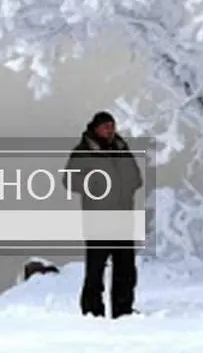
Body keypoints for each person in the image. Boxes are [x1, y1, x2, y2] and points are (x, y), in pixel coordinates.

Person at [64, 110, 144, 318]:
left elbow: (136, 176)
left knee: (126, 268)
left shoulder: (121, 148)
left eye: (112, 126)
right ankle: (92, 311)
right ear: (96, 128)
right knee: (96, 269)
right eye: (106, 126)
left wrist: (129, 187)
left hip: (123, 217)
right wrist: (94, 185)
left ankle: (123, 309)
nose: (110, 130)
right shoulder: (83, 151)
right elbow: (69, 180)